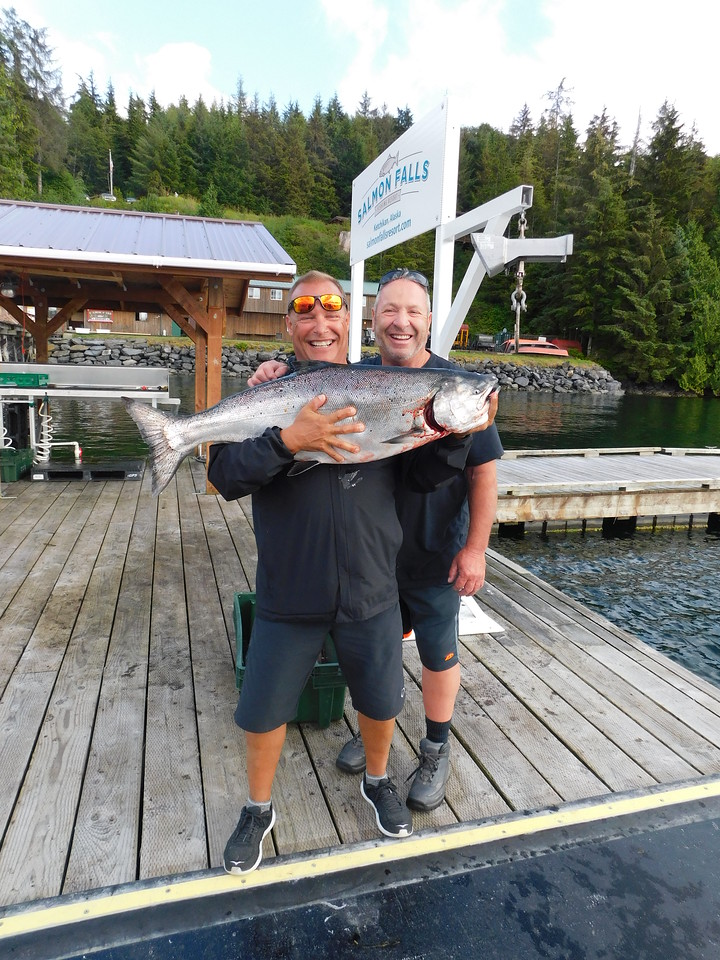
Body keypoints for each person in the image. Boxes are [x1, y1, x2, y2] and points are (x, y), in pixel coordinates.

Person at [208, 270, 479, 875]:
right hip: (288, 590)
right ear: (290, 326)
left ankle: (378, 781)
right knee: (263, 711)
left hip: (373, 588)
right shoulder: (264, 393)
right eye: (306, 313)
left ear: (347, 324)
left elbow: (424, 477)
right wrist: (285, 440)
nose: (320, 324)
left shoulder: (380, 388)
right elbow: (225, 477)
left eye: (331, 312)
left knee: (381, 702)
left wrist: (457, 435)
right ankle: (257, 809)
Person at [334, 267, 503, 811]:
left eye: (412, 312)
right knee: (375, 653)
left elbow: (483, 473)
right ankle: (377, 728)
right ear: (373, 320)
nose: (400, 322)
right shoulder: (353, 378)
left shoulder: (461, 389)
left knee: (436, 653)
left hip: (435, 551)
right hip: (370, 554)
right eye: (389, 311)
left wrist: (475, 549)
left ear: (430, 322)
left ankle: (435, 747)